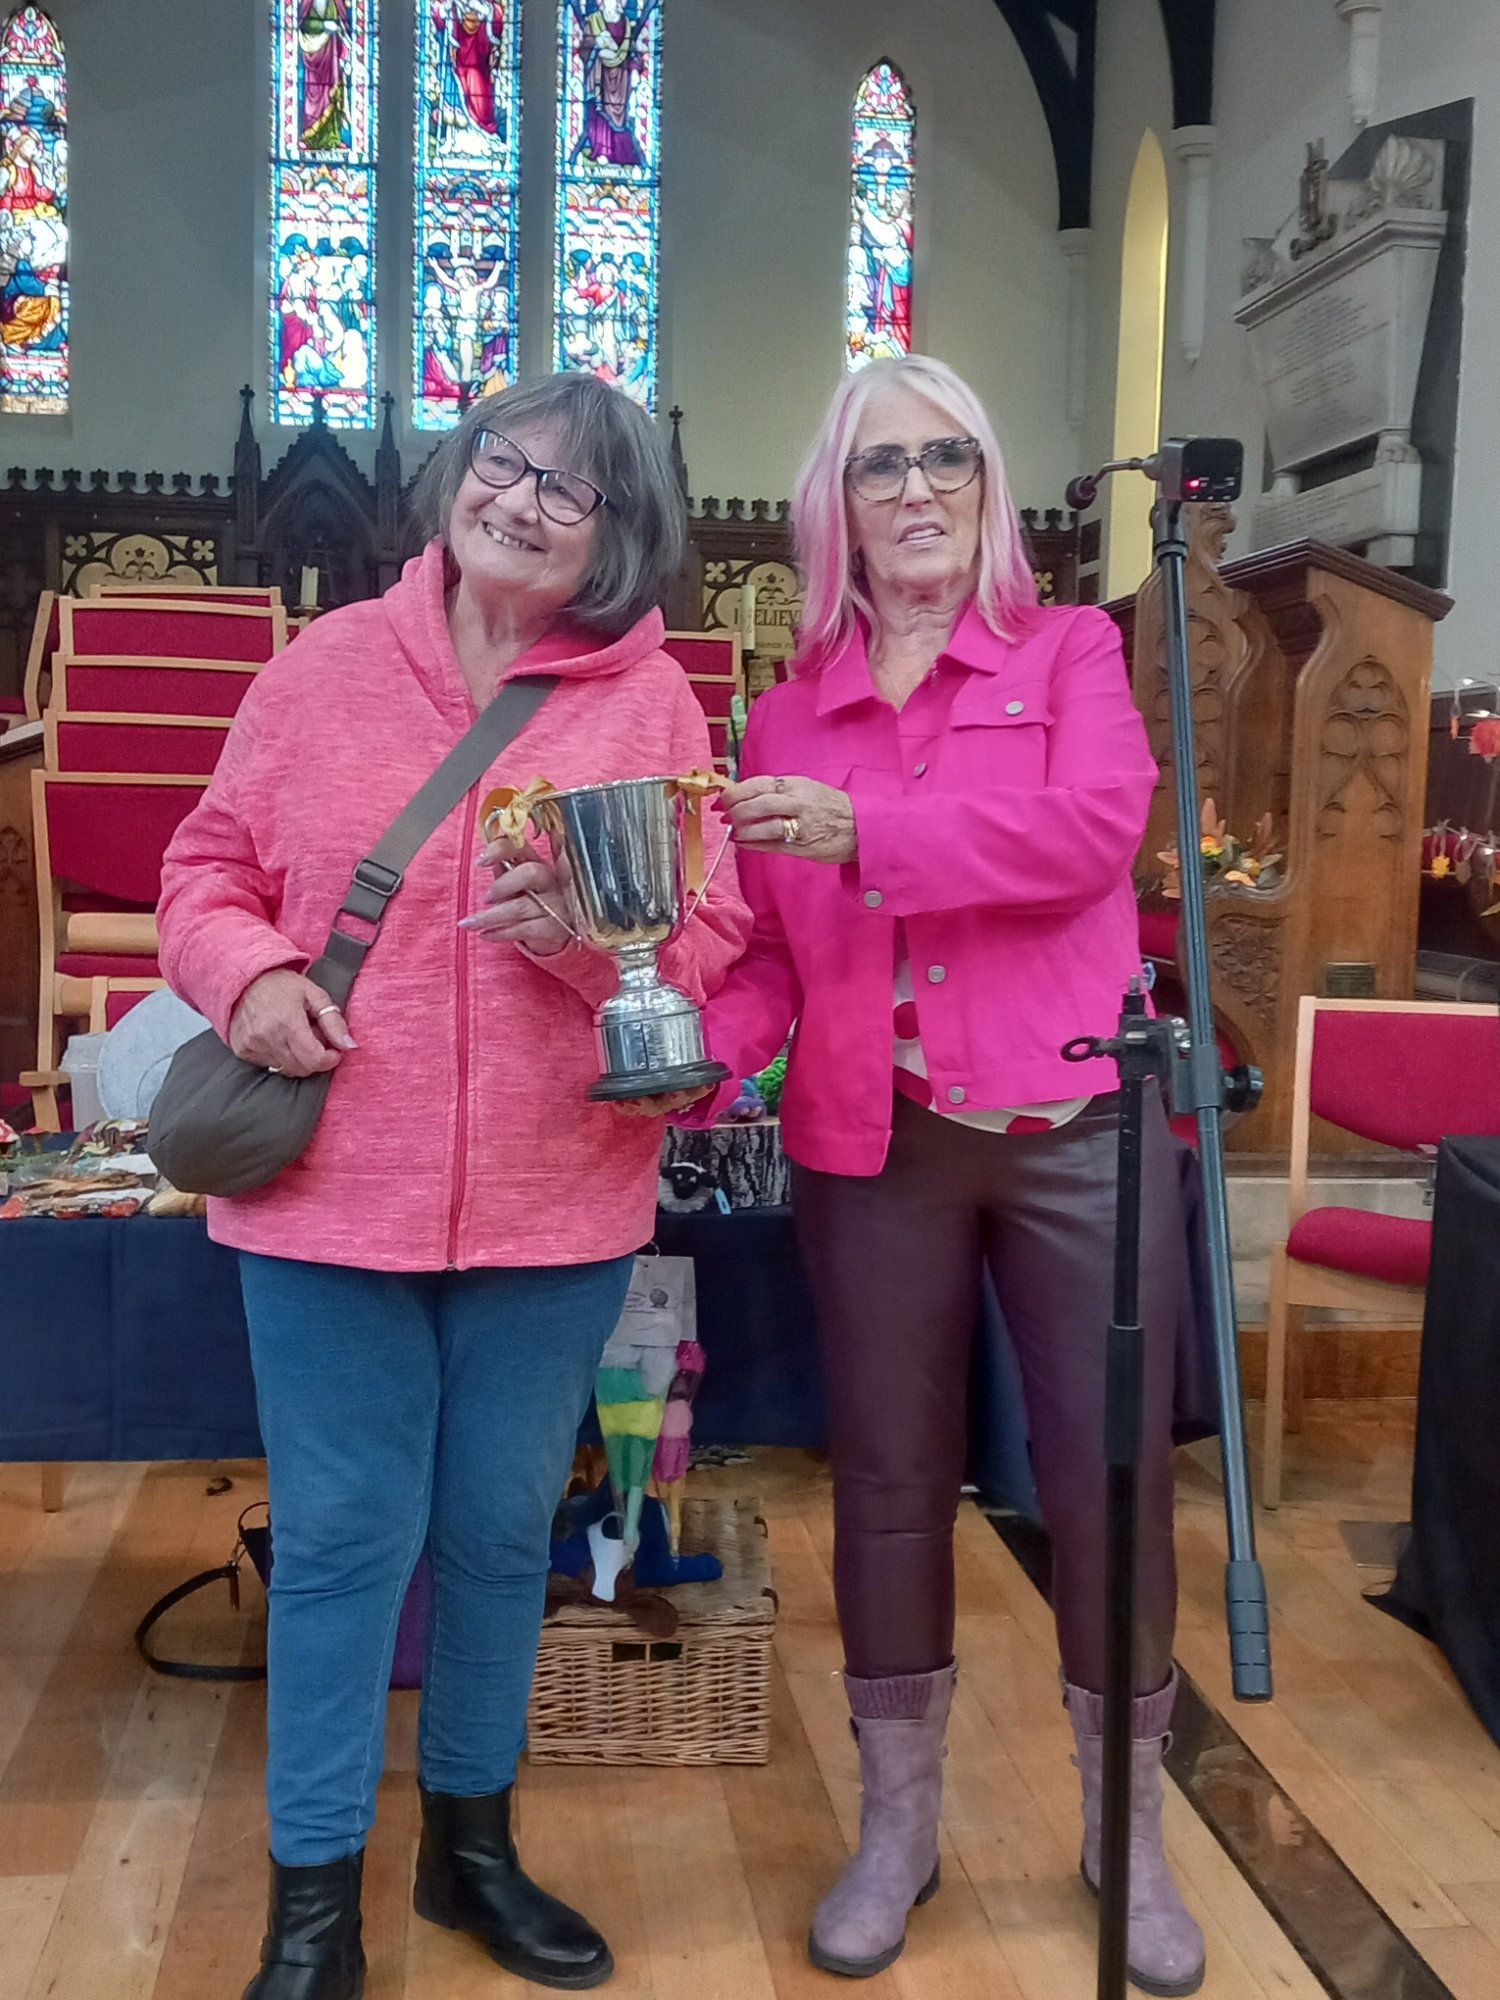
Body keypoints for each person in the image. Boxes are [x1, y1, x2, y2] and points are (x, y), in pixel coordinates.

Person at [157, 372, 749, 2000]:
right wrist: (252, 975)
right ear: (454, 473)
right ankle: (312, 1911)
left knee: (499, 1536)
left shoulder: (657, 709)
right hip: (329, 1192)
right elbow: (201, 870)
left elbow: (705, 951)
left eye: (577, 493)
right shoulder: (320, 670)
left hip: (561, 1198)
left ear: (624, 538)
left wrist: (589, 946)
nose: (527, 503)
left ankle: (470, 1854)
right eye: (507, 463)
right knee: (345, 1541)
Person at [693, 354, 1205, 1995]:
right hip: (875, 1138)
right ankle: (899, 1825)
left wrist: (868, 840)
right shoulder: (787, 709)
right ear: (833, 505)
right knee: (891, 1489)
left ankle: (1126, 1832)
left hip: (1075, 1131)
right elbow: (772, 950)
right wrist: (672, 1053)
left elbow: (1088, 838)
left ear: (988, 490)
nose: (917, 490)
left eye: (950, 462)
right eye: (880, 466)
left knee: (1108, 1484)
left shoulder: (1071, 654)